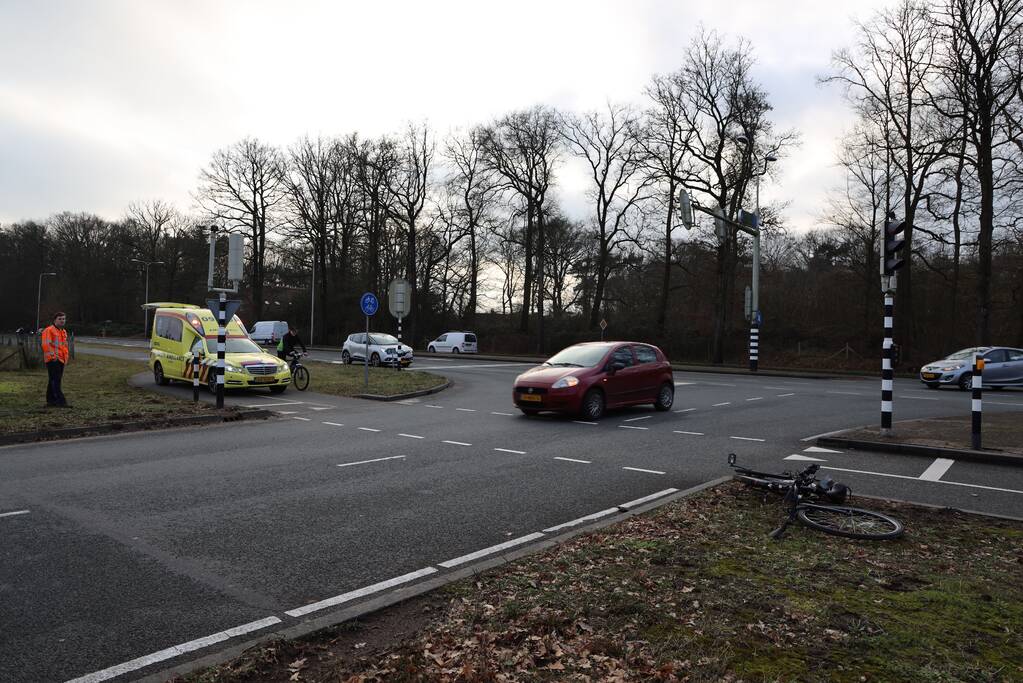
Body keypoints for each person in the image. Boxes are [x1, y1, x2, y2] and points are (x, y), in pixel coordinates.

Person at [42, 311, 71, 408]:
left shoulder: (63, 331)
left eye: (63, 319)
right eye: (60, 319)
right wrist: (53, 357)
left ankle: (51, 401)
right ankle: (61, 401)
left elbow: (65, 346)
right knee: (56, 381)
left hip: (61, 360)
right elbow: (46, 344)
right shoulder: (49, 330)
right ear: (55, 320)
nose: (62, 321)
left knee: (53, 381)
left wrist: (65, 358)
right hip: (53, 360)